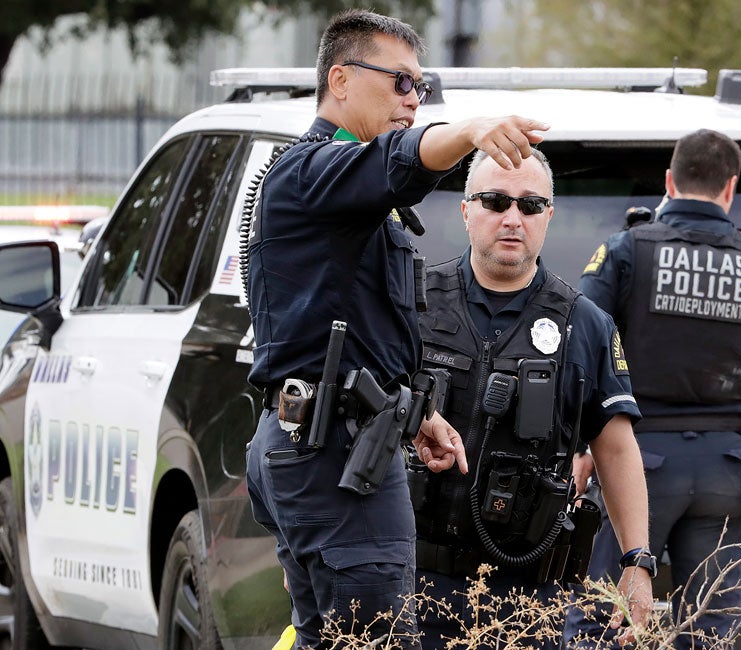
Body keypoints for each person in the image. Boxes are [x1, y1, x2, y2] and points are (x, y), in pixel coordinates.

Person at [244, 9, 548, 649]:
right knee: (378, 640)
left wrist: (417, 413)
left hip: (339, 442)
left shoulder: (344, 195)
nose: (414, 99)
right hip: (332, 454)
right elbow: (398, 161)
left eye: (422, 86)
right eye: (401, 82)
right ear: (341, 80)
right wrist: (467, 130)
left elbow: (357, 326)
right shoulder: (313, 170)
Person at [564, 129, 741, 648]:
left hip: (634, 466)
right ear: (730, 188)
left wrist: (577, 447)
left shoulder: (625, 251)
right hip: (725, 476)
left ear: (669, 182)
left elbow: (576, 352)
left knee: (601, 626)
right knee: (709, 635)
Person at [408, 147, 653, 649]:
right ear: (466, 210)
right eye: (495, 201)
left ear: (548, 216)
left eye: (530, 205)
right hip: (408, 583)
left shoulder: (584, 324)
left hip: (523, 603)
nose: (513, 218)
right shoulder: (412, 303)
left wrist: (637, 562)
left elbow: (616, 449)